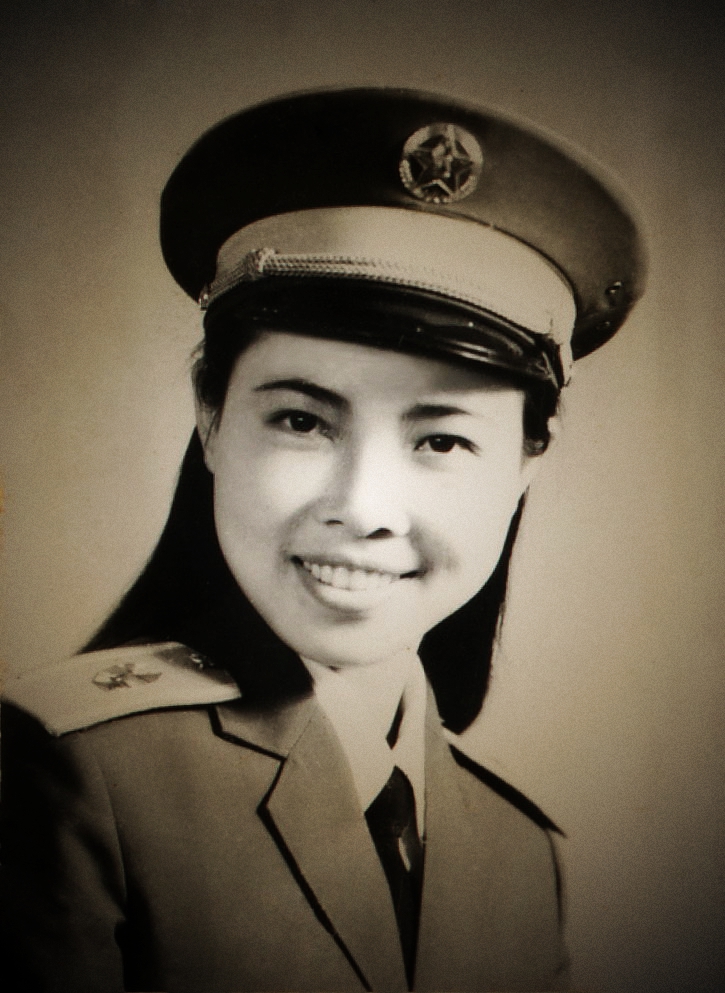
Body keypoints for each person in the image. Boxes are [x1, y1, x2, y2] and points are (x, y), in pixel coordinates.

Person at [1, 88, 645, 993]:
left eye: (441, 440)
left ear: (527, 460)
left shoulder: (518, 854)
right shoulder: (68, 775)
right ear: (211, 417)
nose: (363, 506)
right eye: (302, 420)